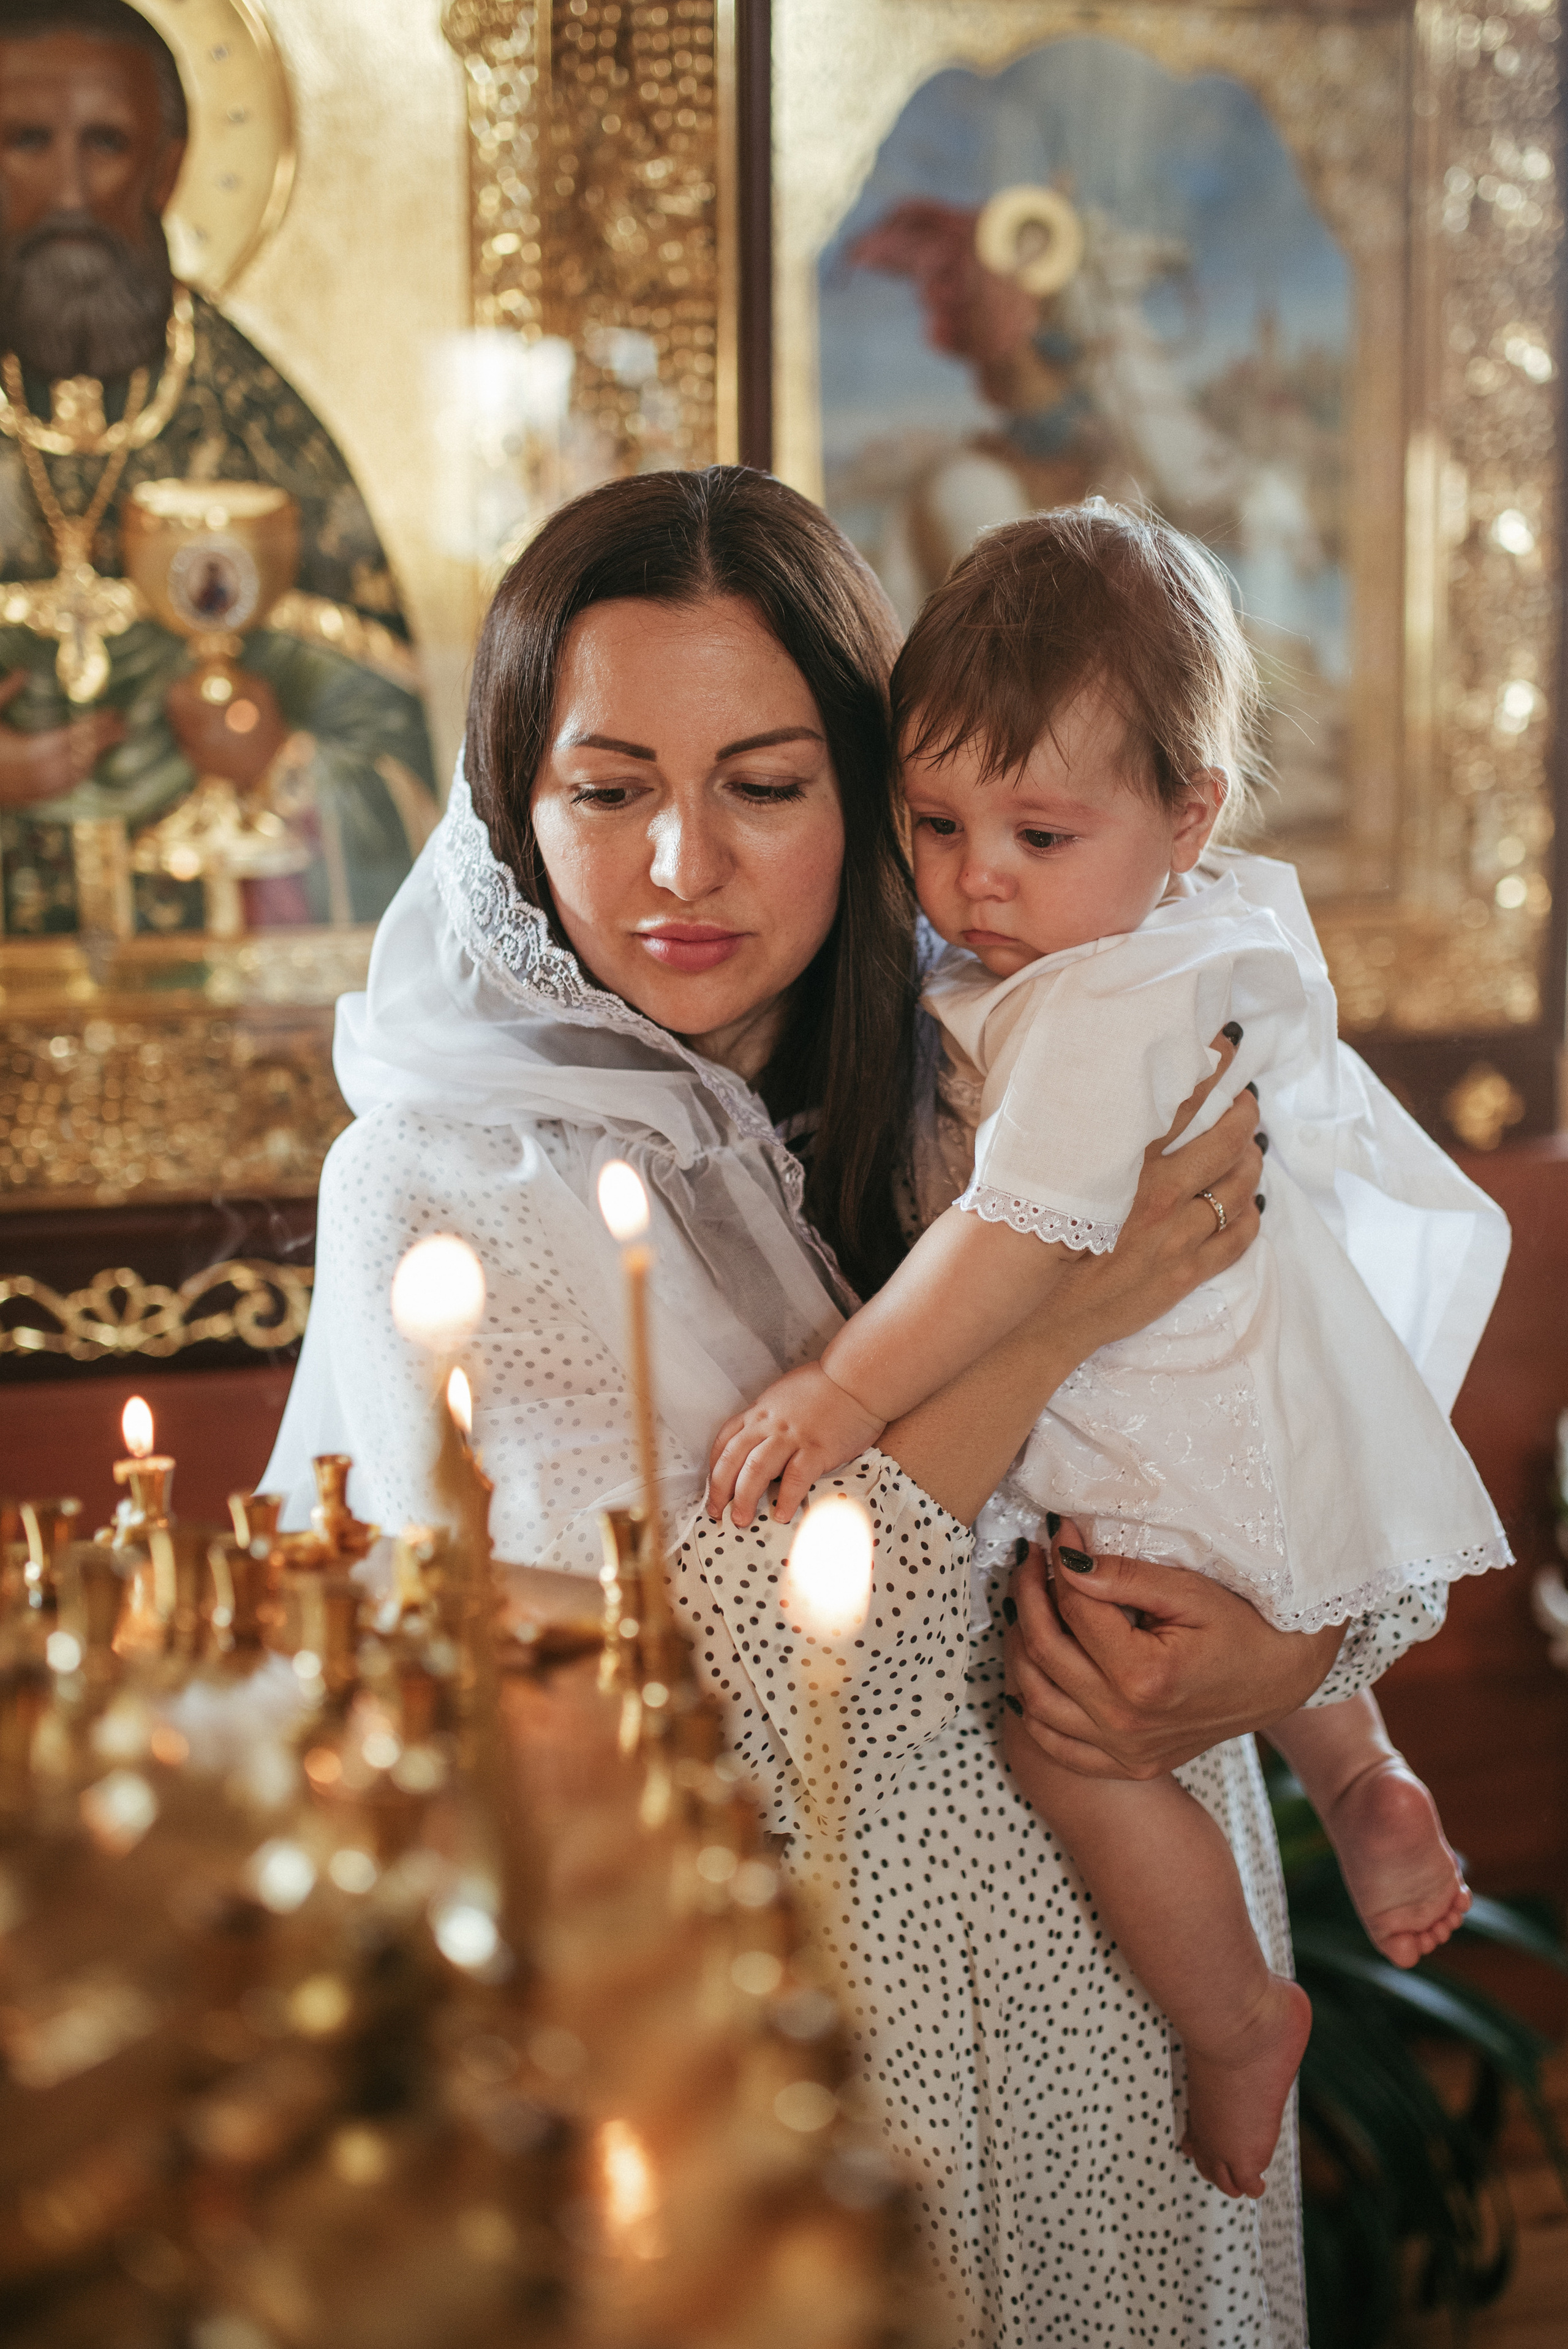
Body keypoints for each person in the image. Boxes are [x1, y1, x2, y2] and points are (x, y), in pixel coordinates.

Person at [266, 466, 1453, 2348]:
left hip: (1135, 2032)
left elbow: (1307, 1410)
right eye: (608, 788)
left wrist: (1276, 1650)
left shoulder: (1025, 1044)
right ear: (514, 798)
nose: (683, 866)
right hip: (792, 2065)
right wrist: (1053, 1322)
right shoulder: (446, 1189)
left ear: (872, 790)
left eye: (764, 783)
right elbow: (689, 1686)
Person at [707, 501, 1510, 2201]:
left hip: (1156, 1431)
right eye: (932, 821)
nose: (974, 879)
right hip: (1228, 1420)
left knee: (1069, 1736)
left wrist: (842, 1388)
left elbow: (1017, 1246)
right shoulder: (1138, 938)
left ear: (1186, 813)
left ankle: (1236, 2022)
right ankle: (1362, 1772)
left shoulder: (1097, 1007)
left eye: (1038, 831)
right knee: (1227, 1605)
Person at [0, 0, 437, 936]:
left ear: (167, 166)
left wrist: (280, 760)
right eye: (27, 140)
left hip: (231, 1028)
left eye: (108, 143)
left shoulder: (257, 422)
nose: (71, 190)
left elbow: (411, 772)